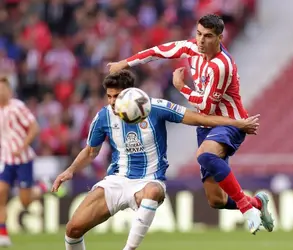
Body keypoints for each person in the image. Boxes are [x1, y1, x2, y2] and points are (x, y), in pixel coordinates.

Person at [52, 69, 260, 250]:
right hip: (117, 179)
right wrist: (70, 170)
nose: (113, 102)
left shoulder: (156, 107)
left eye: (117, 96)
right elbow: (90, 152)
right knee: (73, 229)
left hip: (151, 180)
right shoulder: (104, 116)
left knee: (152, 192)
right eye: (109, 96)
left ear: (130, 94)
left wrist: (237, 123)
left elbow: (200, 118)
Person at [107, 14, 274, 234]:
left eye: (208, 36)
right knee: (216, 200)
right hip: (206, 126)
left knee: (205, 155)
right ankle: (257, 203)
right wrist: (125, 62)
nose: (201, 40)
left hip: (231, 122)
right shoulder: (192, 47)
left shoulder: (221, 65)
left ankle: (246, 208)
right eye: (199, 34)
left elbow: (207, 106)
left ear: (220, 37)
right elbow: (159, 51)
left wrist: (181, 87)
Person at [0, 76, 49, 247]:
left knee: (24, 201)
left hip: (23, 159)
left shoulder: (17, 107)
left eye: (3, 88)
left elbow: (35, 128)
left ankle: (42, 187)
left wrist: (22, 146)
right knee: (1, 192)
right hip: (6, 160)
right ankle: (3, 233)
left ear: (8, 90)